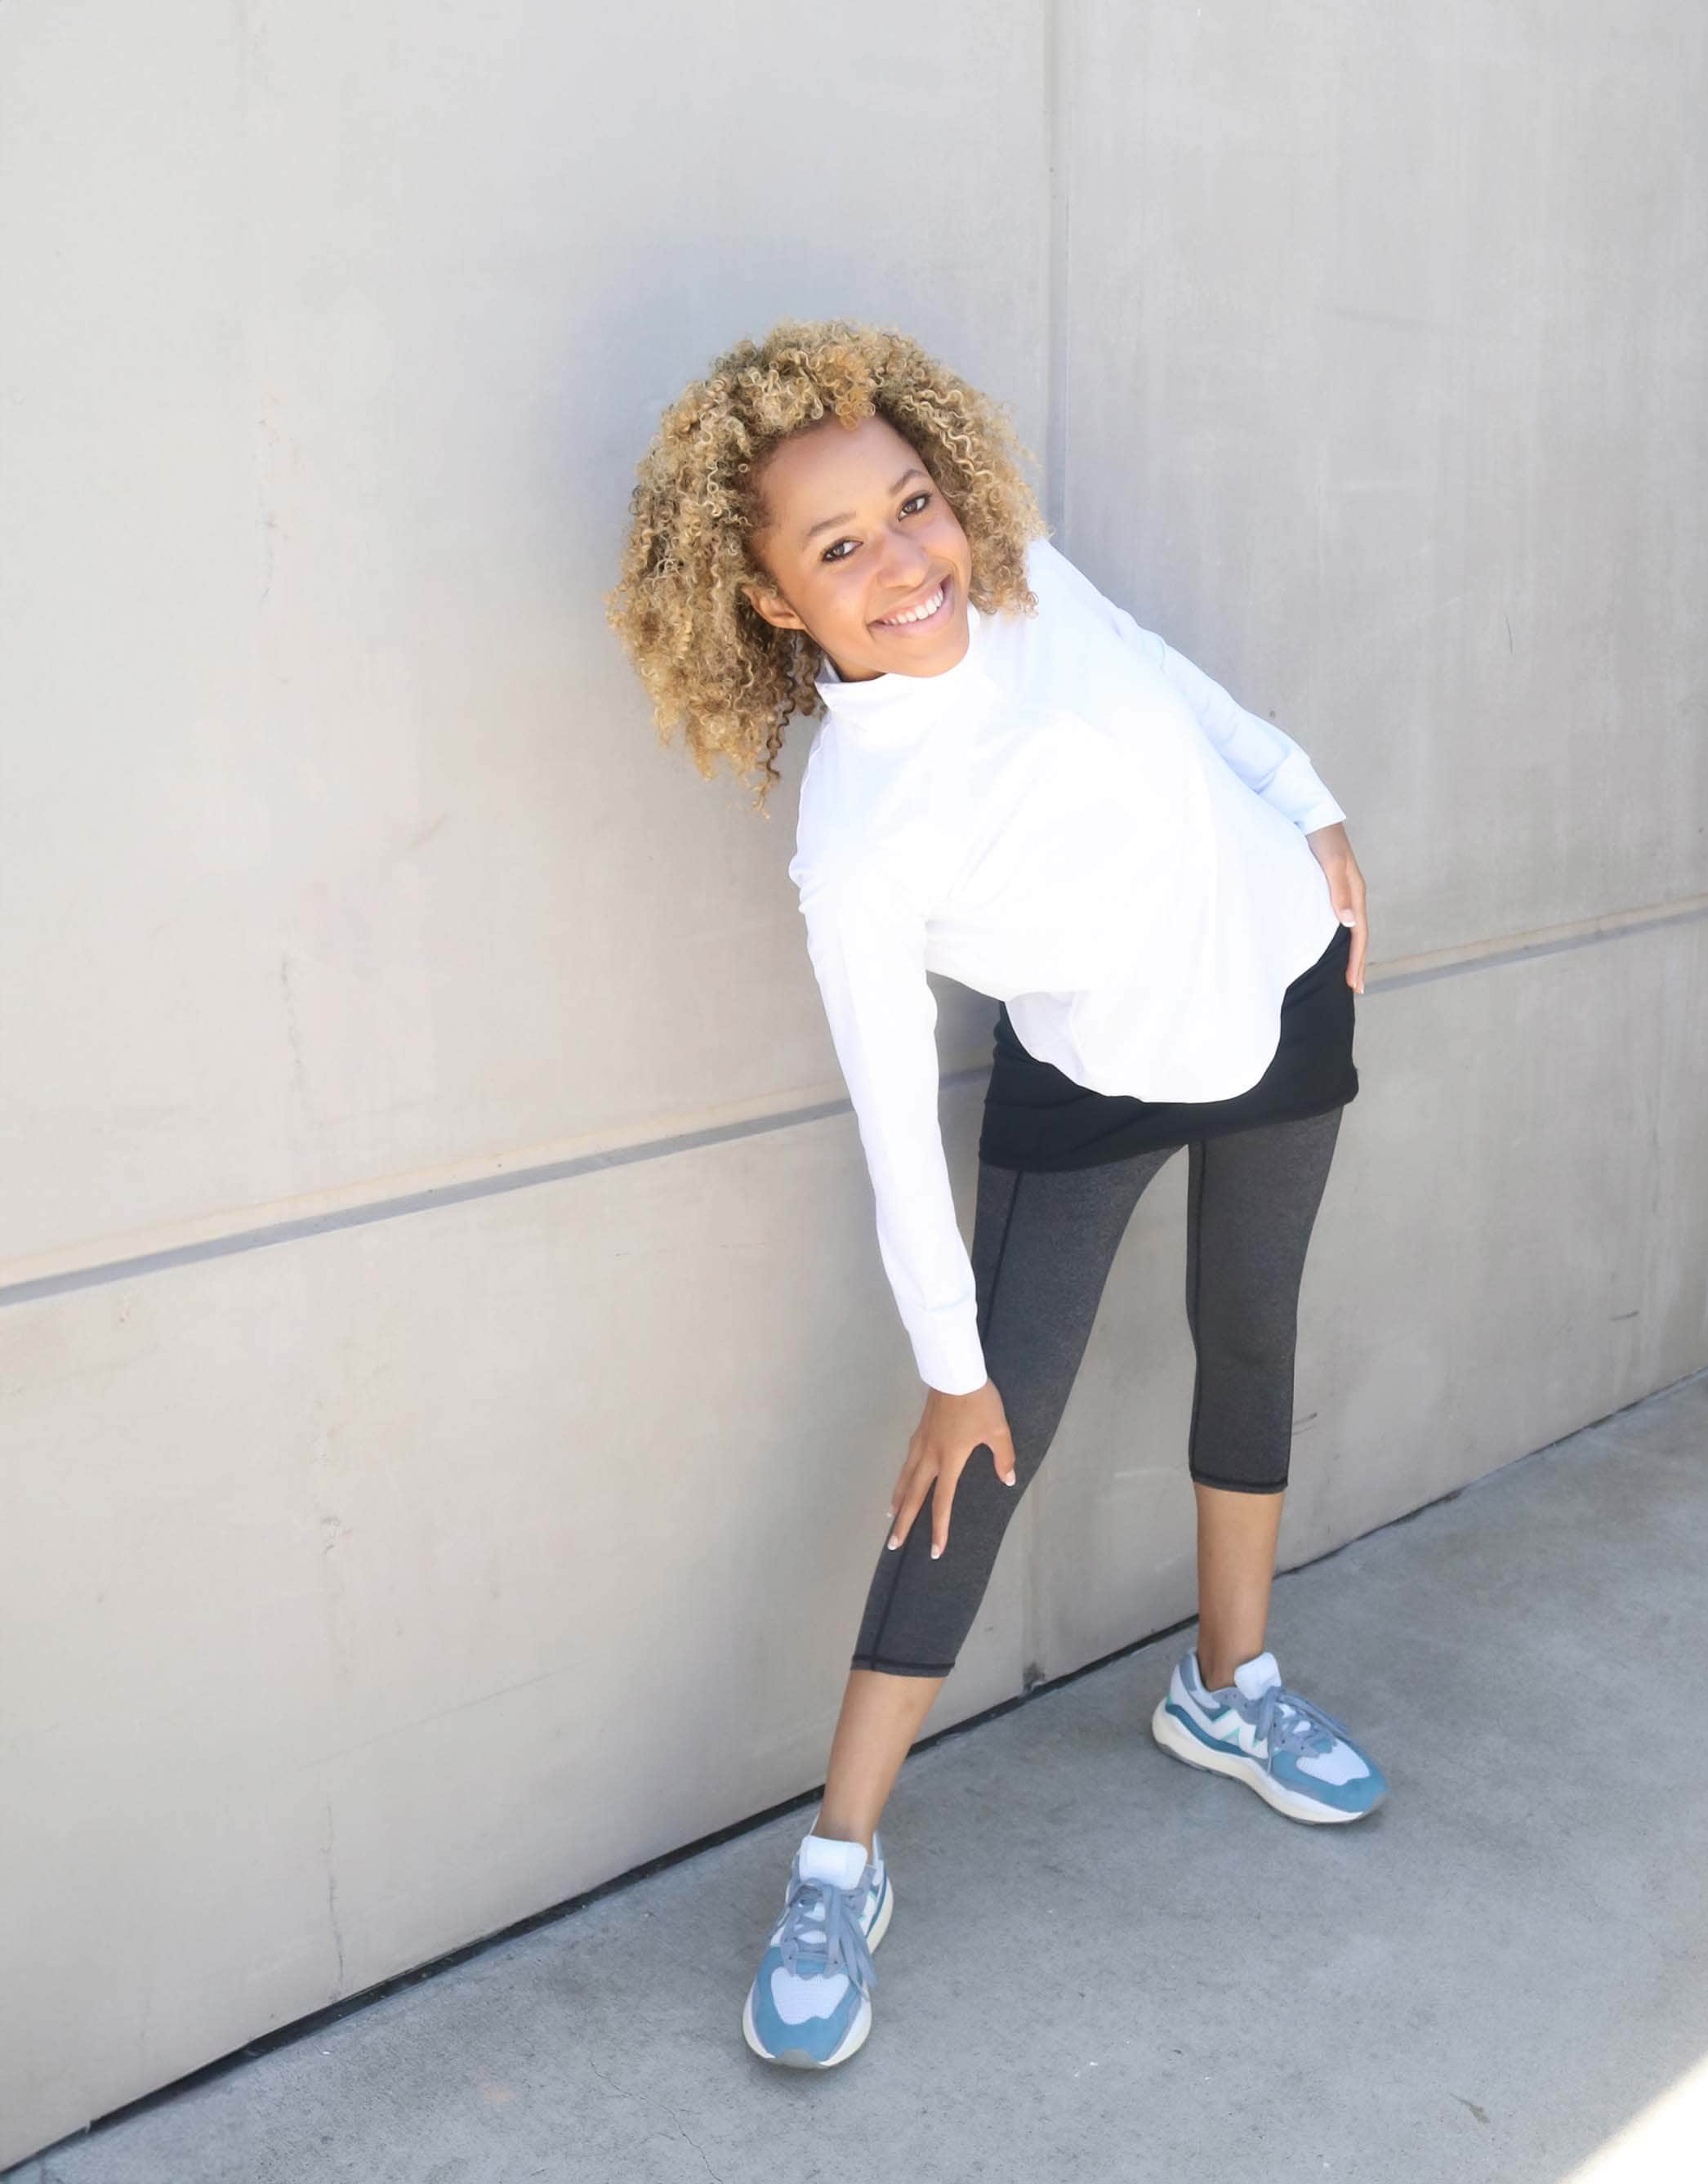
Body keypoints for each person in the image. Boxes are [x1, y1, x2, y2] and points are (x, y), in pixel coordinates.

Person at [607, 319, 1385, 2070]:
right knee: (978, 1449)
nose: (907, 560)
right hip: (1090, 1074)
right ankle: (837, 1856)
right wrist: (954, 1363)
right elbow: (891, 1124)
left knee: (1248, 1337)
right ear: (764, 604)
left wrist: (1311, 809)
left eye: (908, 503)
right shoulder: (857, 837)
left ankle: (1227, 1690)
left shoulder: (1023, 578)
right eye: (838, 547)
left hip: (1277, 983)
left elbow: (1184, 689)